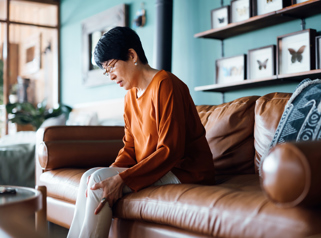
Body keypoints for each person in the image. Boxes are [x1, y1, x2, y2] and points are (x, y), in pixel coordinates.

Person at [67, 26, 215, 238]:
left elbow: (170, 150)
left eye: (111, 67)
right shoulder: (129, 96)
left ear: (132, 55)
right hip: (157, 169)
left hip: (186, 171)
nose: (110, 76)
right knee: (91, 178)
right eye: (105, 71)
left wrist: (121, 179)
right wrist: (112, 173)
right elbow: (129, 148)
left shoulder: (166, 84)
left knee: (98, 179)